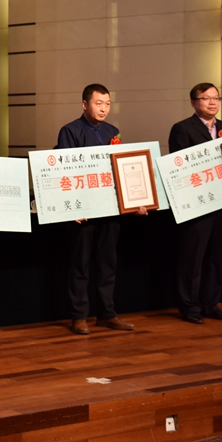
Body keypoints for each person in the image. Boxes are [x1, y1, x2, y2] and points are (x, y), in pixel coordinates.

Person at [57, 84, 139, 335]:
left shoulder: (113, 131)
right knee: (80, 264)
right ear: (85, 105)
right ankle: (79, 316)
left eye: (107, 104)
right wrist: (72, 208)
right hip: (84, 211)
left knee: (107, 263)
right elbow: (63, 172)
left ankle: (107, 314)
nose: (103, 108)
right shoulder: (70, 131)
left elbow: (122, 169)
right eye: (98, 103)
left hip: (110, 209)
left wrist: (136, 198)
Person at [169, 82, 222, 324]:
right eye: (206, 98)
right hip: (198, 205)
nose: (213, 102)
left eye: (216, 98)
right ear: (194, 103)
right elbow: (179, 167)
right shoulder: (182, 129)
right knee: (193, 258)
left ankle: (211, 304)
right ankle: (189, 306)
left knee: (217, 257)